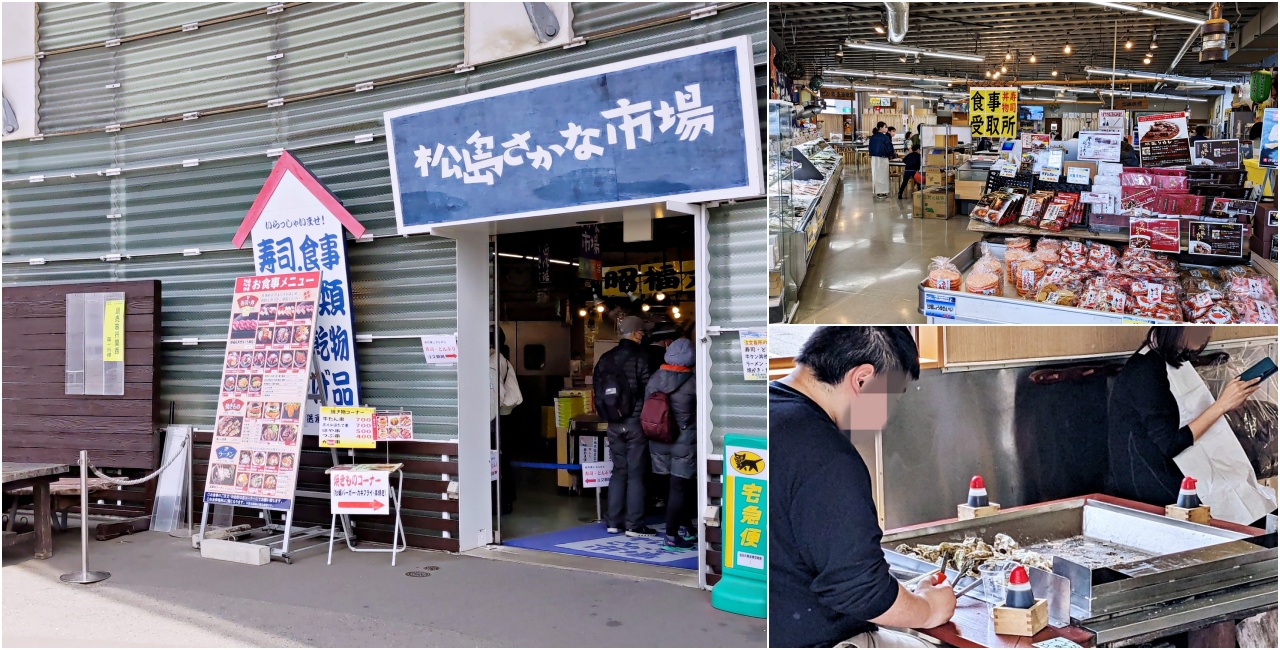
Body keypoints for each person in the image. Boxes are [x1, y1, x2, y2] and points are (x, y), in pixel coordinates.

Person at [771, 327, 955, 649]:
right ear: (862, 380)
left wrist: (911, 594)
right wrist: (928, 609)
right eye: (890, 397)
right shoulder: (827, 455)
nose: (884, 417)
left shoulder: (768, 409)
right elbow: (860, 591)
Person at [1106, 327, 1269, 521]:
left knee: (1248, 495)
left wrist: (1229, 403)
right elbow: (1170, 444)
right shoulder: (1145, 370)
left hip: (1177, 467)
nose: (1207, 333)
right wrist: (1221, 406)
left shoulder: (1172, 358)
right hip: (1151, 483)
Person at [593, 315, 655, 537]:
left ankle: (613, 521)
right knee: (636, 473)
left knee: (619, 470)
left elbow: (597, 390)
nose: (644, 336)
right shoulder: (643, 358)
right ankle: (634, 525)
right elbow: (650, 392)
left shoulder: (605, 358)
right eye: (643, 332)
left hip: (613, 423)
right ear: (637, 334)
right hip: (635, 424)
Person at [643, 338, 698, 551]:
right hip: (684, 442)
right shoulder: (694, 382)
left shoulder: (655, 378)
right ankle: (672, 536)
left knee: (669, 488)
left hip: (658, 438)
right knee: (680, 488)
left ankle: (686, 528)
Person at [490, 328, 522, 515]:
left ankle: (500, 502)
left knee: (495, 461)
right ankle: (506, 500)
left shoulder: (493, 362)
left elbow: (496, 394)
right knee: (502, 460)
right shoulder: (502, 359)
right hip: (503, 418)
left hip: (494, 421)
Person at [868, 122, 893, 198]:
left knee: (875, 174)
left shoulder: (873, 137)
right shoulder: (885, 137)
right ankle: (882, 192)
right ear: (881, 128)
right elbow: (889, 148)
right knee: (883, 175)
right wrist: (891, 154)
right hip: (883, 157)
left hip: (874, 158)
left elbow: (870, 147)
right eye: (885, 127)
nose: (886, 128)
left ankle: (877, 191)